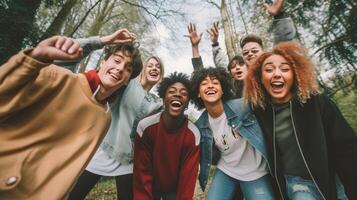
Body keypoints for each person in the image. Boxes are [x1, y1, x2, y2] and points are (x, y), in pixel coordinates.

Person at [0, 33, 142, 199]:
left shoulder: (105, 118)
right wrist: (34, 58)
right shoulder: (58, 77)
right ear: (103, 63)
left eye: (128, 68)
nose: (120, 68)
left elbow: (74, 168)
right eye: (117, 61)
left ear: (127, 81)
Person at [243, 41, 357, 200]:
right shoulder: (258, 114)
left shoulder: (317, 103)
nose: (277, 74)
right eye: (269, 69)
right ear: (260, 79)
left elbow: (347, 148)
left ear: (295, 75)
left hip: (330, 178)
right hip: (297, 184)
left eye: (284, 69)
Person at [68, 34, 164, 199]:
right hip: (103, 151)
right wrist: (108, 42)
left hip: (128, 161)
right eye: (150, 65)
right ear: (141, 71)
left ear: (161, 76)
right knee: (73, 195)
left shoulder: (158, 103)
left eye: (158, 67)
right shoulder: (126, 84)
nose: (154, 68)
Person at [190, 67, 275, 200]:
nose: (210, 85)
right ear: (198, 93)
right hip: (227, 171)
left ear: (222, 90)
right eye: (204, 83)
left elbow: (267, 98)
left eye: (215, 82)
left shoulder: (242, 106)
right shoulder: (200, 126)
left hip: (256, 171)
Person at [133, 72, 200, 200]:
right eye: (172, 91)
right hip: (151, 186)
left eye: (184, 93)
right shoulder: (146, 127)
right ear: (163, 98)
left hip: (175, 189)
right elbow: (142, 174)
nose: (177, 94)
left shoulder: (193, 134)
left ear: (187, 104)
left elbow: (187, 180)